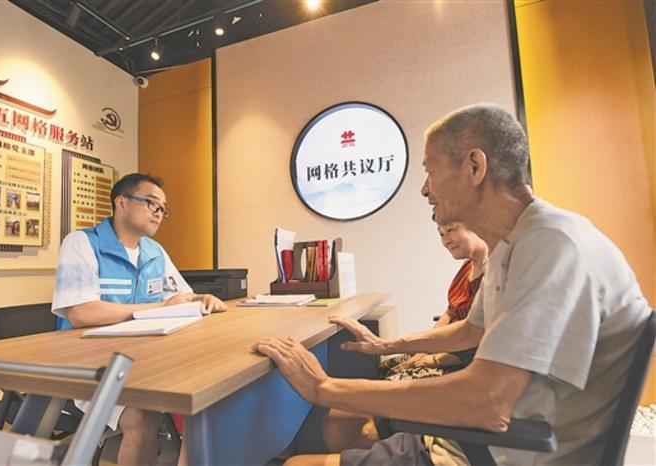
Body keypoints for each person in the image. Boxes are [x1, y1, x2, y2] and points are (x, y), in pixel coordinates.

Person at [253, 104, 651, 466]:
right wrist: (387, 346)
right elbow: (471, 330)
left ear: (475, 167)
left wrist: (324, 387)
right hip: (494, 437)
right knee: (340, 424)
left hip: (505, 451)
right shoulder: (511, 245)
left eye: (430, 170)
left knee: (295, 461)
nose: (425, 189)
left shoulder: (550, 244)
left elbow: (488, 403)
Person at [52, 173, 227, 466]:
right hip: (90, 364)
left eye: (163, 209)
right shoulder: (82, 243)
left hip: (143, 359)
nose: (158, 213)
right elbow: (81, 313)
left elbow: (180, 295)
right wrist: (157, 307)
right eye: (151, 203)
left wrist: (201, 298)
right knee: (143, 415)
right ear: (121, 202)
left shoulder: (154, 251)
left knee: (205, 391)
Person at [323, 222, 488, 452]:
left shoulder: (495, 273)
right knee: (381, 370)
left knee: (348, 414)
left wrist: (434, 358)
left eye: (450, 230)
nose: (445, 240)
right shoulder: (466, 269)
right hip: (448, 354)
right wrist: (420, 352)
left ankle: (380, 435)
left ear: (473, 223)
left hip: (460, 364)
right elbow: (450, 314)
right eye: (441, 234)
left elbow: (477, 339)